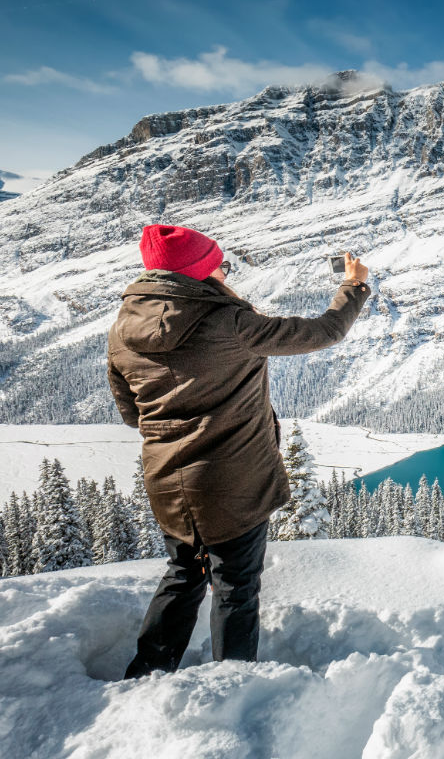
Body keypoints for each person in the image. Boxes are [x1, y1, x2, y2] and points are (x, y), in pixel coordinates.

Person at [109, 224, 371, 678]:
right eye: (219, 266)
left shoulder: (122, 329)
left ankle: (148, 672)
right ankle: (232, 684)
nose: (225, 274)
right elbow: (324, 331)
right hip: (232, 481)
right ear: (200, 273)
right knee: (235, 585)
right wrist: (353, 286)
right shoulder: (229, 322)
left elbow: (133, 415)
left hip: (168, 480)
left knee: (184, 573)